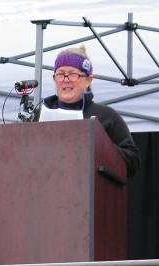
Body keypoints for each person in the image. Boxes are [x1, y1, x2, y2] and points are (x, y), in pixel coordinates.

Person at [34, 46, 141, 177]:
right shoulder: (38, 115)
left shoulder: (107, 116)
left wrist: (98, 145)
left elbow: (132, 162)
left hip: (91, 192)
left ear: (88, 80)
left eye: (73, 74)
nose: (66, 79)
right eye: (60, 74)